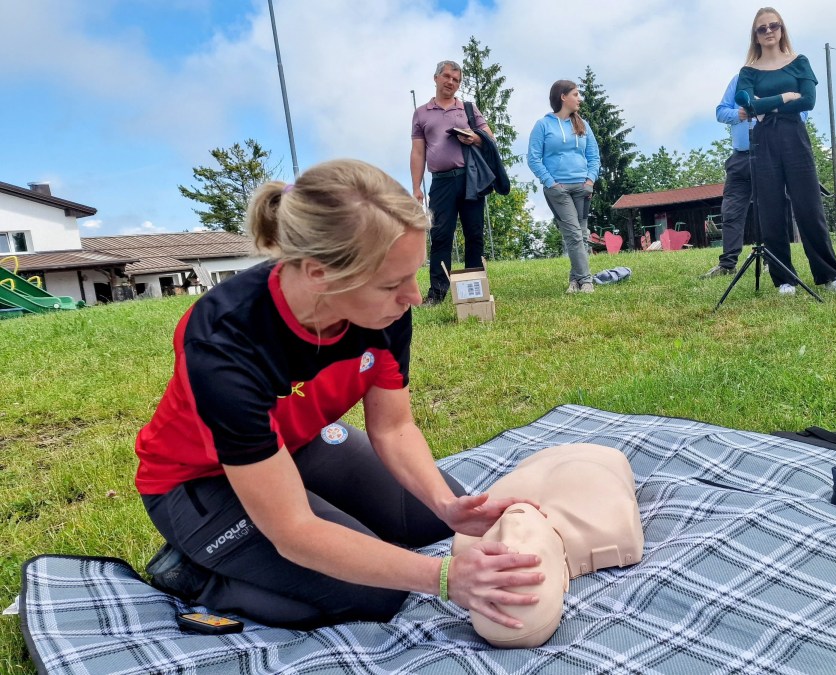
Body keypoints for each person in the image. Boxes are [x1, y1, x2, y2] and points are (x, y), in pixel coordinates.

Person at [135, 159, 543, 630]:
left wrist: (444, 505)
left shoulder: (384, 313)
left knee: (436, 519)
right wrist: (444, 576)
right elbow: (294, 531)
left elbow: (394, 426)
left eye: (412, 275)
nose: (413, 296)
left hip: (297, 446)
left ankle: (327, 521)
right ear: (318, 274)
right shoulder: (225, 340)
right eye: (392, 284)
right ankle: (196, 573)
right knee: (376, 593)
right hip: (197, 482)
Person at [736, 8, 836, 296]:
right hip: (763, 140)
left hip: (794, 136)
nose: (769, 31)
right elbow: (746, 106)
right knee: (771, 209)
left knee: (809, 206)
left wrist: (767, 104)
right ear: (756, 36)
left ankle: (829, 275)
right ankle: (784, 279)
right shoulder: (748, 71)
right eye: (762, 28)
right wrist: (786, 97)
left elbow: (809, 101)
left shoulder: (799, 62)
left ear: (782, 29)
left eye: (774, 25)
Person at [703, 74, 809, 279]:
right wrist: (741, 114)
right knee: (731, 210)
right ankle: (727, 264)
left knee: (773, 209)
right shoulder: (738, 80)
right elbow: (721, 112)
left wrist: (771, 112)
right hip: (740, 157)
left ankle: (774, 260)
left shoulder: (783, 79)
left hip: (770, 154)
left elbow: (802, 115)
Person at [411, 60, 494, 307]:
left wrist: (474, 137)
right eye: (446, 77)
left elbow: (489, 136)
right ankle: (436, 293)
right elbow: (417, 152)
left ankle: (473, 290)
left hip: (471, 178)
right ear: (436, 78)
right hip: (441, 182)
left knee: (474, 234)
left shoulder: (468, 108)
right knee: (440, 236)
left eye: (456, 80)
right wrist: (416, 187)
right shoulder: (421, 113)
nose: (451, 82)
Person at [527, 80, 601, 294]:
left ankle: (574, 281)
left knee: (582, 234)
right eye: (576, 94)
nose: (579, 99)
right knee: (574, 234)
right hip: (558, 190)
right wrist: (551, 183)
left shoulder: (582, 125)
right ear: (563, 96)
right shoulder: (543, 125)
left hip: (583, 187)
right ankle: (587, 281)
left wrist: (590, 181)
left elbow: (593, 156)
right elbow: (533, 158)